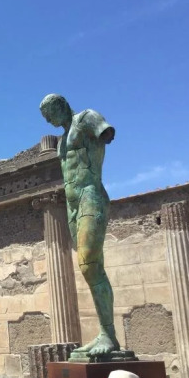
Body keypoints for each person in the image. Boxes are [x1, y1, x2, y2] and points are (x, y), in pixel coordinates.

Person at [40, 94, 118, 356]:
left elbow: (106, 133)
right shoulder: (62, 141)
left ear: (61, 105)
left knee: (89, 265)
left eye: (50, 115)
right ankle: (105, 333)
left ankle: (108, 334)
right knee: (91, 268)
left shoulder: (86, 119)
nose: (49, 122)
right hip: (72, 206)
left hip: (90, 196)